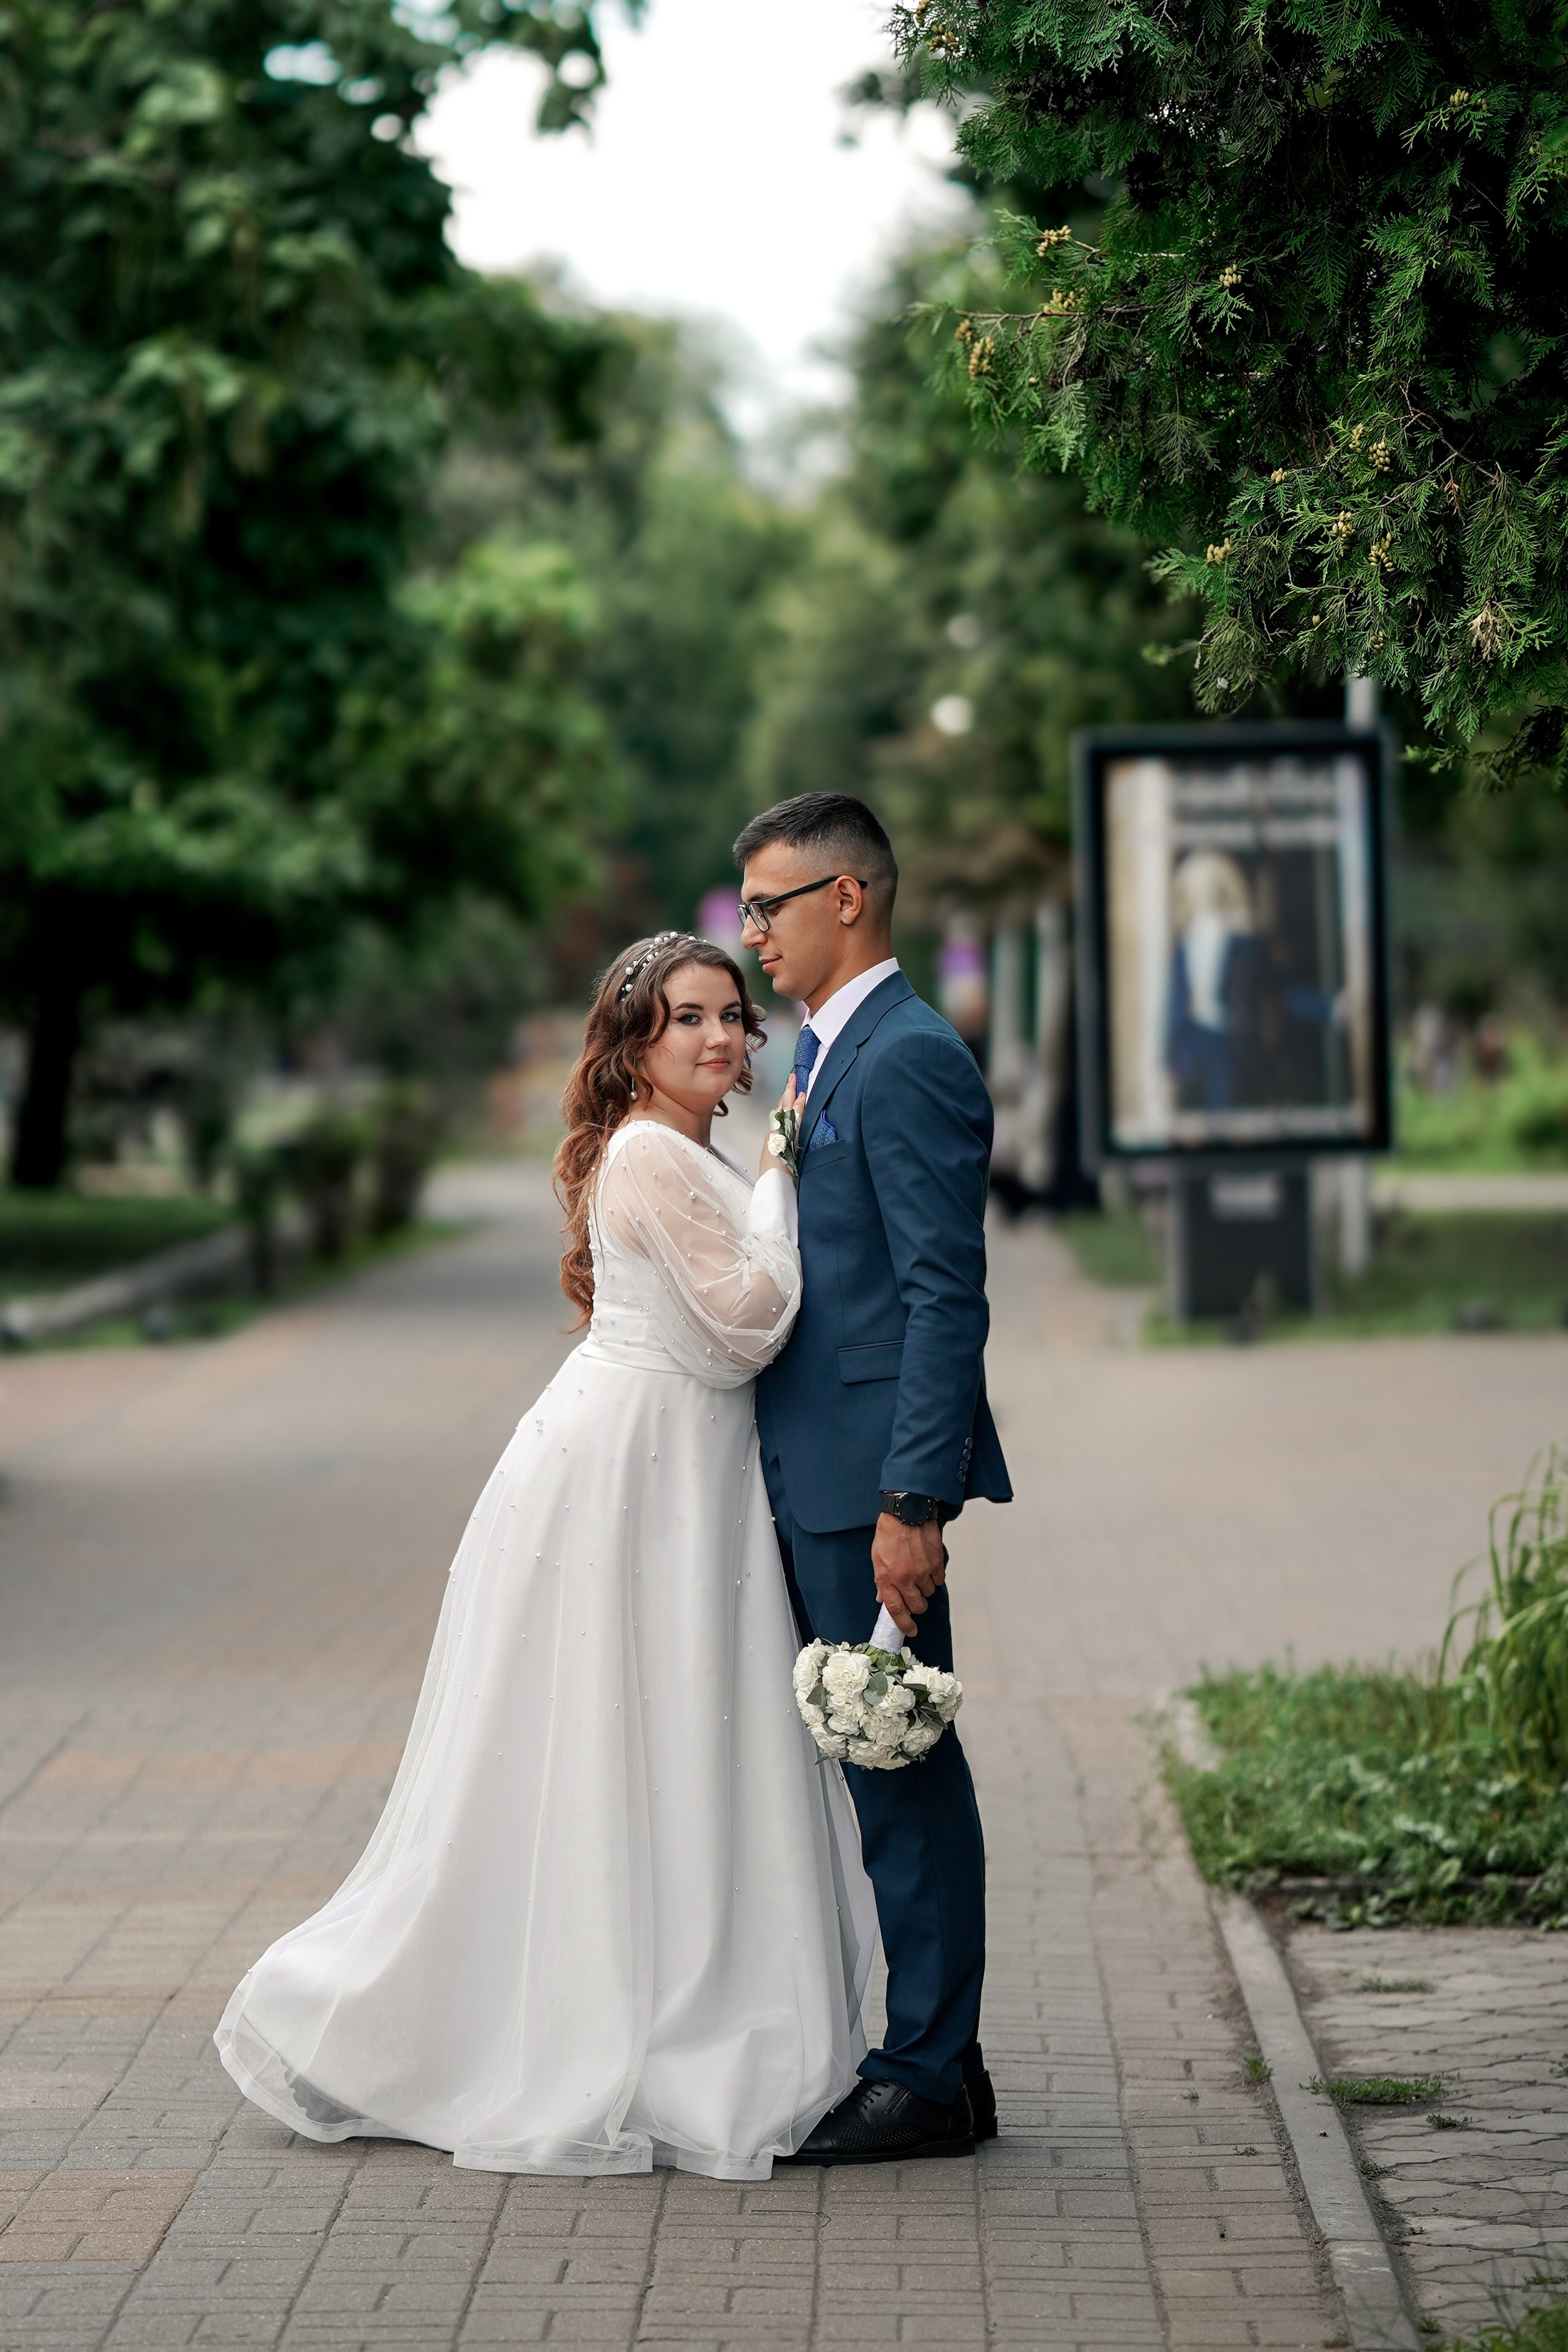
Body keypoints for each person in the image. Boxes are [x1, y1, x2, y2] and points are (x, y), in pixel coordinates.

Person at [213, 933, 876, 2179]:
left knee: (671, 1738)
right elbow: (745, 1327)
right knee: (610, 1740)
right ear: (632, 1040)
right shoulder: (642, 1155)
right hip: (630, 1476)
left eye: (733, 1017)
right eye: (688, 1018)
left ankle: (675, 1986)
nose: (720, 1039)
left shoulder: (685, 1149)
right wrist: (781, 1192)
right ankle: (562, 2017)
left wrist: (764, 1177)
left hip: (684, 1470)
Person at [735, 791, 1012, 2166]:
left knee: (898, 1761)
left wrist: (916, 1503)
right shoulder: (822, 1051)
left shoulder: (901, 1056)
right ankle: (944, 2062)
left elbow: (939, 1297)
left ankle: (922, 2073)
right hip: (823, 1469)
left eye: (769, 905)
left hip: (869, 1486)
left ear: (848, 896)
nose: (751, 934)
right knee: (884, 1759)